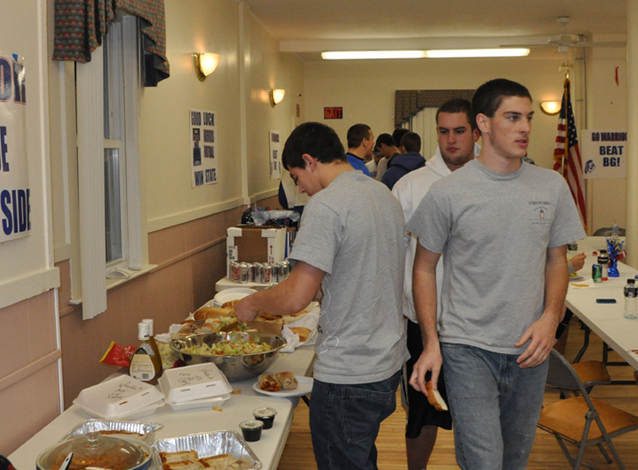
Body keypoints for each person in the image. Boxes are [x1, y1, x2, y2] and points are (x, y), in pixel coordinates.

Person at [407, 79, 586, 470]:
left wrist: (550, 320)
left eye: (528, 118)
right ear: (483, 124)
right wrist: (431, 342)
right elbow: (423, 267)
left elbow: (557, 262)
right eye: (512, 117)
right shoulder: (448, 193)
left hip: (530, 350)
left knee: (514, 461)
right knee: (484, 462)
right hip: (468, 348)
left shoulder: (551, 186)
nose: (524, 127)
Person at [235, 122, 408, 470]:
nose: (301, 188)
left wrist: (252, 302)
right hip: (386, 362)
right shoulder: (383, 195)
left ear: (310, 160)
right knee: (360, 457)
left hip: (349, 370)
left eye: (297, 177)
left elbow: (297, 296)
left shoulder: (327, 205)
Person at [391, 98, 478, 470]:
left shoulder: (491, 182)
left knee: (477, 418)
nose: (451, 139)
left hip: (477, 325)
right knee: (422, 416)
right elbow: (394, 257)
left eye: (459, 131)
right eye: (443, 131)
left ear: (477, 132)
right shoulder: (411, 186)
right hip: (425, 324)